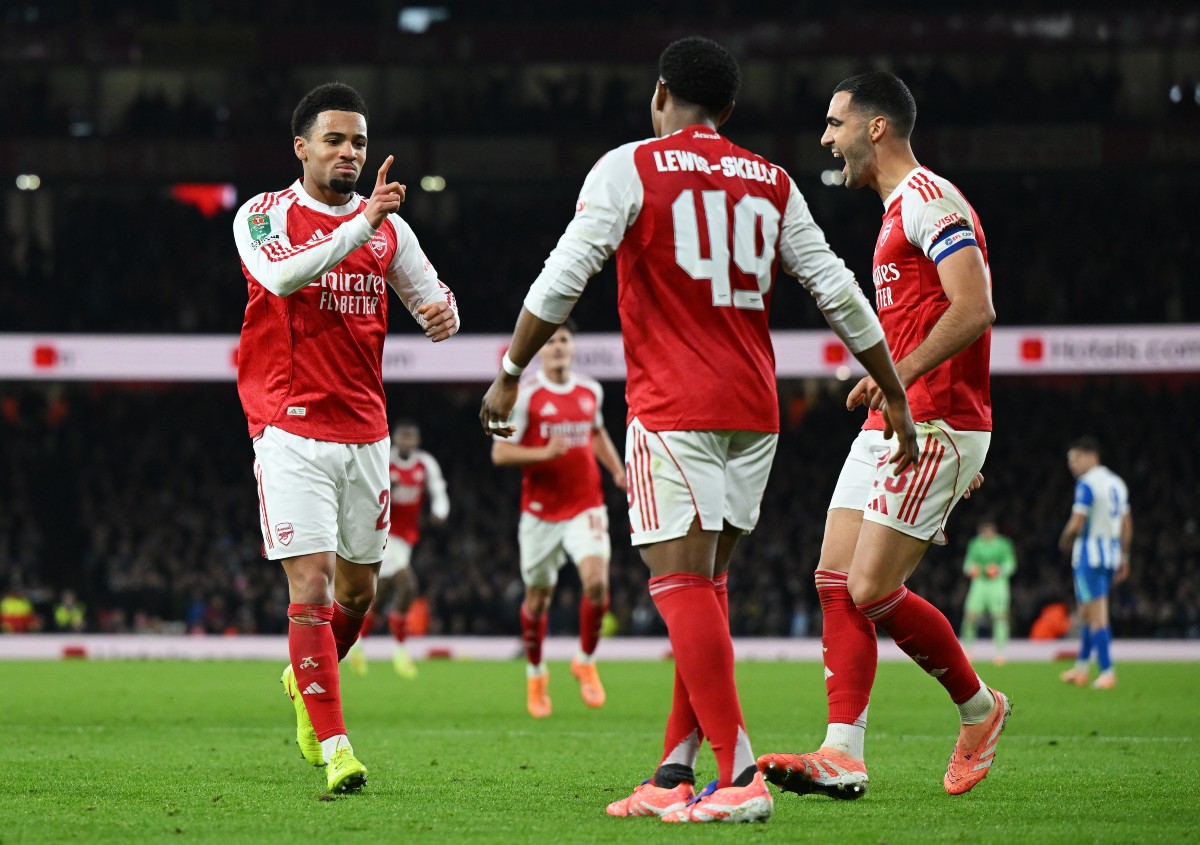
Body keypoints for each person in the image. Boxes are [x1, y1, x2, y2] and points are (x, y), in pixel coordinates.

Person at [480, 37, 917, 824]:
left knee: (679, 587)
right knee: (706, 590)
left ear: (659, 95)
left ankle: (739, 774)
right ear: (729, 110)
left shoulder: (629, 166)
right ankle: (672, 773)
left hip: (673, 407)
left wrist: (512, 368)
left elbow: (564, 273)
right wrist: (895, 390)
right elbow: (839, 293)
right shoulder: (773, 180)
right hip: (754, 412)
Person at [757, 71, 1007, 801]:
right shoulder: (895, 213)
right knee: (834, 579)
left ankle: (981, 709)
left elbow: (975, 308)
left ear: (876, 127)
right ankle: (843, 752)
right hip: (899, 416)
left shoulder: (930, 201)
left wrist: (899, 382)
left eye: (835, 123)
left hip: (937, 417)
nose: (826, 138)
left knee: (870, 587)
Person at [233, 82, 459, 795]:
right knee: (313, 585)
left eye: (358, 141)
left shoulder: (388, 226)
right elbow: (279, 276)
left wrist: (439, 311)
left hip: (366, 432)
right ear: (301, 147)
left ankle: (305, 677)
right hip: (288, 423)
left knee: (358, 596)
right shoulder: (264, 215)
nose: (349, 152)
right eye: (334, 139)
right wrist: (360, 227)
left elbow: (430, 291)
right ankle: (334, 743)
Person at [490, 320, 627, 719]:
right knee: (537, 599)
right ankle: (535, 674)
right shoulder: (527, 394)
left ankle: (584, 660)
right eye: (550, 342)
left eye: (565, 339)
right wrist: (543, 454)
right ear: (540, 351)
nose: (558, 347)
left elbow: (597, 433)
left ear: (572, 346)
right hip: (540, 514)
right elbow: (500, 454)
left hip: (586, 505)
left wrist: (616, 471)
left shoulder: (590, 391)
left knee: (598, 583)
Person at [348, 420, 449, 678]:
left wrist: (440, 512)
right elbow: (361, 487)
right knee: (408, 585)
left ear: (416, 441)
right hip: (382, 533)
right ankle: (401, 650)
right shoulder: (384, 460)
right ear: (395, 439)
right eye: (402, 438)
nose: (406, 442)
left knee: (380, 600)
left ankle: (356, 645)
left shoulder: (425, 464)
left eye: (410, 438)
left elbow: (438, 490)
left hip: (406, 539)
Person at [1057, 437, 1131, 690]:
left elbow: (1077, 521)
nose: (1072, 465)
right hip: (1110, 554)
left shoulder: (1087, 483)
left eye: (1076, 459)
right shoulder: (1117, 483)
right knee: (1087, 613)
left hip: (1089, 555)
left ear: (1092, 457)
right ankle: (1080, 669)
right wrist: (1124, 555)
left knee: (1097, 615)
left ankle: (1108, 671)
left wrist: (1064, 538)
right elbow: (1126, 523)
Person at [960, 520, 1017, 665]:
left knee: (999, 617)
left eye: (989, 530)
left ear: (993, 530)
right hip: (979, 582)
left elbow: (1011, 564)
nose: (986, 533)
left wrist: (999, 569)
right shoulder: (975, 543)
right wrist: (972, 569)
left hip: (997, 583)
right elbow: (967, 564)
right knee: (970, 615)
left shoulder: (1003, 544)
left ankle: (1000, 653)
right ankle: (967, 650)